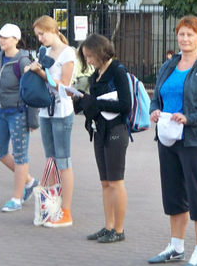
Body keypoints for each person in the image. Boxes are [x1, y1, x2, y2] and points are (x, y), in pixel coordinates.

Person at [148, 15, 197, 266]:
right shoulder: (169, 65)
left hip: (194, 141)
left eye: (190, 34)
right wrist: (155, 111)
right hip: (168, 138)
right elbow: (156, 96)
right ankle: (176, 247)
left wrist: (189, 118)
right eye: (181, 34)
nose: (185, 39)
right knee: (173, 195)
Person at [74, 34, 132, 243]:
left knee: (116, 181)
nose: (88, 61)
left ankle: (119, 229)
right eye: (86, 57)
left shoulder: (117, 71)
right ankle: (108, 226)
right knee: (105, 182)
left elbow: (126, 105)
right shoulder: (97, 73)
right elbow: (95, 103)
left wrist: (96, 103)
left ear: (100, 52)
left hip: (116, 130)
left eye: (90, 56)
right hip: (100, 130)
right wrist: (82, 102)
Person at [28, 15, 77, 228]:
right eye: (37, 35)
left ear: (53, 30)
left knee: (63, 160)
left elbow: (65, 85)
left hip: (62, 111)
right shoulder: (44, 52)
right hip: (46, 111)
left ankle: (66, 211)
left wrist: (42, 73)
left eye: (42, 33)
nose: (40, 39)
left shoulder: (68, 53)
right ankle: (51, 206)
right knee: (50, 160)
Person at [0, 23, 40, 213]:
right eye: (0, 36)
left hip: (19, 113)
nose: (2, 40)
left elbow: (31, 90)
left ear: (16, 40)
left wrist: (33, 120)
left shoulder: (23, 61)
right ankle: (29, 181)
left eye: (6, 37)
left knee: (20, 155)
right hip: (1, 113)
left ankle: (16, 199)